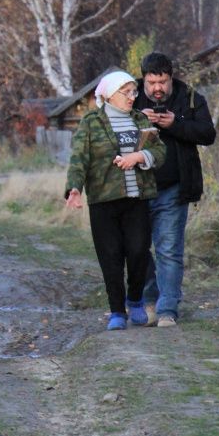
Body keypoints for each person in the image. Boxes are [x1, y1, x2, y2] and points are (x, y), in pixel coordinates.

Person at [65, 70, 166, 331]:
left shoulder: (140, 119)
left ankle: (135, 300)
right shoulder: (90, 122)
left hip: (137, 198)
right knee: (110, 257)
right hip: (103, 201)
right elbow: (79, 159)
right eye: (127, 92)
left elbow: (159, 151)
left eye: (134, 92)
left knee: (138, 252)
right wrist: (74, 189)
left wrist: (140, 157)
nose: (133, 97)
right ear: (109, 94)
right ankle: (116, 312)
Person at [135, 52, 216, 328]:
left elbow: (208, 134)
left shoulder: (189, 97)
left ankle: (167, 308)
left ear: (171, 78)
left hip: (174, 187)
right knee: (136, 248)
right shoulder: (128, 95)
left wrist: (175, 125)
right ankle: (148, 302)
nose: (158, 88)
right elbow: (107, 130)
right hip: (135, 188)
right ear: (143, 79)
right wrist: (138, 121)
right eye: (152, 82)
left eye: (163, 82)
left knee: (169, 249)